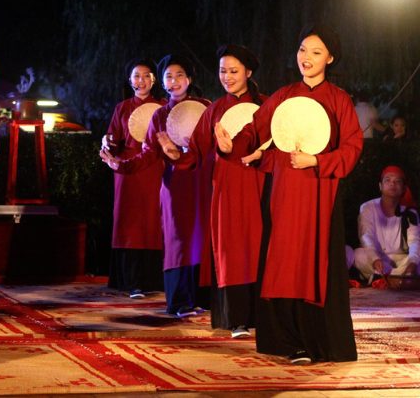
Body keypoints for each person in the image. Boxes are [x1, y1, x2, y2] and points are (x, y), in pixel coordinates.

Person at [217, 23, 362, 364]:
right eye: (302, 50)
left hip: (318, 193)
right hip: (283, 195)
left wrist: (318, 159)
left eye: (315, 52)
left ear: (330, 58)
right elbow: (254, 129)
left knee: (314, 264)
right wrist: (230, 144)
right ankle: (287, 340)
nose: (306, 58)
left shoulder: (339, 100)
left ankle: (320, 342)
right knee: (282, 264)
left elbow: (354, 147)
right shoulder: (283, 96)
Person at [158, 44, 266, 338]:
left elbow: (276, 147)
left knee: (260, 248)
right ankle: (236, 319)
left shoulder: (266, 106)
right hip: (227, 189)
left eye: (233, 71)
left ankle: (265, 314)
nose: (227, 77)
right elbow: (195, 152)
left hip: (260, 187)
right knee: (232, 251)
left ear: (248, 72)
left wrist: (256, 154)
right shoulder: (215, 109)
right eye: (222, 71)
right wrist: (175, 155)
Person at [108, 54, 212, 317]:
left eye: (179, 75)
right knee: (177, 242)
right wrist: (121, 165)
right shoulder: (159, 115)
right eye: (168, 76)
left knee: (201, 239)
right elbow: (149, 154)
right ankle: (178, 302)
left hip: (201, 183)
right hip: (175, 186)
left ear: (189, 79)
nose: (174, 81)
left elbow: (214, 148)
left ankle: (201, 298)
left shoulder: (206, 109)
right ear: (162, 82)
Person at [99, 59, 165, 298]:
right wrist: (108, 142)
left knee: (153, 221)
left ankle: (154, 279)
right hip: (127, 170)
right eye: (137, 76)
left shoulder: (164, 106)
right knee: (130, 223)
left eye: (147, 75)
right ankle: (131, 281)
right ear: (130, 80)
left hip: (155, 168)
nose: (142, 80)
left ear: (154, 80)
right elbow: (113, 136)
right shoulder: (123, 107)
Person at [353, 165, 419, 282]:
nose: (392, 184)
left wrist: (413, 262)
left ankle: (385, 277)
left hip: (401, 259)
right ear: (380, 186)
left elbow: (415, 241)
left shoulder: (409, 212)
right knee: (358, 255)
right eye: (388, 180)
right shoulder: (368, 207)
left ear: (403, 188)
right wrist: (375, 259)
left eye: (397, 181)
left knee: (417, 260)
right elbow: (366, 236)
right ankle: (400, 277)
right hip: (376, 257)